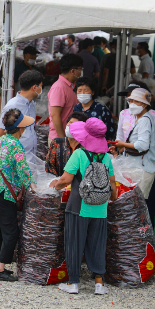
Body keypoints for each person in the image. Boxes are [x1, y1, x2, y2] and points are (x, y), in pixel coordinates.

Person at [50, 118, 117, 295]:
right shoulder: (107, 158)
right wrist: (110, 198)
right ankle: (99, 284)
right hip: (100, 209)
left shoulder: (79, 154)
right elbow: (113, 187)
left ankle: (74, 283)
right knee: (97, 244)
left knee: (74, 243)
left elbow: (65, 179)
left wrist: (54, 186)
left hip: (78, 207)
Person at [0, 110, 36, 282]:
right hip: (7, 193)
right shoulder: (15, 145)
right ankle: (0, 269)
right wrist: (31, 185)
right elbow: (23, 168)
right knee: (11, 231)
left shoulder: (0, 140)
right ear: (20, 129)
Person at [112, 88, 155, 221]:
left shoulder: (144, 120)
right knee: (136, 208)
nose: (131, 104)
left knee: (138, 209)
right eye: (130, 100)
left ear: (144, 104)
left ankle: (141, 238)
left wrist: (123, 145)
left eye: (135, 101)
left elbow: (142, 145)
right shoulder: (142, 118)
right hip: (137, 168)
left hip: (142, 170)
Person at [48, 54, 83, 140]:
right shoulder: (59, 87)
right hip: (60, 138)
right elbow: (55, 115)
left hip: (72, 137)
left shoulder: (73, 86)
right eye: (80, 69)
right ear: (73, 71)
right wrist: (62, 139)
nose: (81, 72)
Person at [45, 112, 88, 177]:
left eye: (74, 124)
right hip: (59, 183)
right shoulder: (57, 143)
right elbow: (50, 167)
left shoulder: (86, 146)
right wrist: (55, 181)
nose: (70, 125)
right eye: (69, 122)